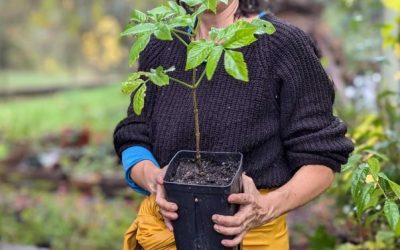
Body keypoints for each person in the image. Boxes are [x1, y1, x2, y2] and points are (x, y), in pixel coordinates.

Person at [113, 0, 354, 249]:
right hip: (164, 233)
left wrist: (266, 207)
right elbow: (134, 136)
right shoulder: (162, 42)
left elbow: (321, 159)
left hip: (250, 239)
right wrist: (153, 178)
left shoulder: (283, 45)